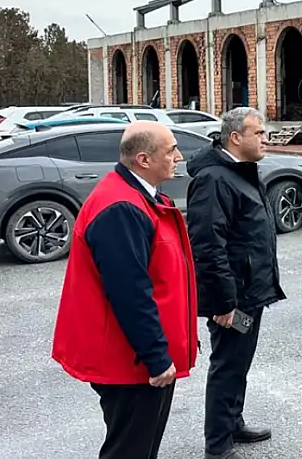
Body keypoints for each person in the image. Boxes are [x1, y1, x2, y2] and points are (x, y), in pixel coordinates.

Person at [51, 120, 198, 459]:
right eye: (171, 150)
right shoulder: (121, 208)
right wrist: (156, 357)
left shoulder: (139, 197)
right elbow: (130, 294)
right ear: (144, 159)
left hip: (135, 356)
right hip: (129, 362)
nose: (179, 157)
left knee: (141, 446)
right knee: (130, 450)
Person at [186, 106, 284, 459]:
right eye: (258, 133)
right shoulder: (214, 179)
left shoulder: (241, 171)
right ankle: (218, 444)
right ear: (235, 137)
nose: (265, 139)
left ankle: (233, 423)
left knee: (239, 362)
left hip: (250, 292)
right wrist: (224, 302)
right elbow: (207, 245)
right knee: (228, 364)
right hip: (233, 299)